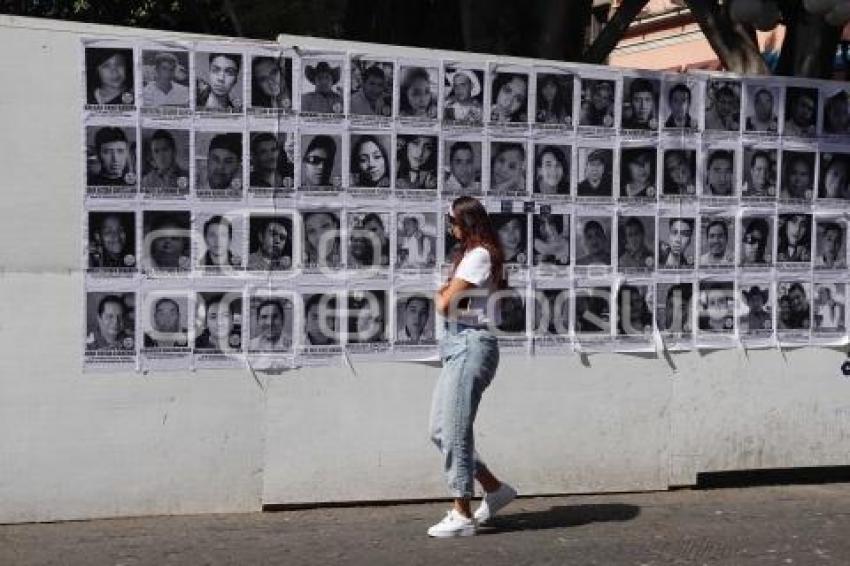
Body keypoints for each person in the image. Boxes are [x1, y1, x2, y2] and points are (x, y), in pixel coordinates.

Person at [428, 196, 515, 538]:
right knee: (440, 429)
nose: (450, 229)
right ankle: (495, 490)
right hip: (458, 346)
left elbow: (446, 303)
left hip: (470, 345)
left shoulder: (479, 255)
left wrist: (441, 295)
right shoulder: (473, 255)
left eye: (452, 222)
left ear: (467, 222)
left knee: (454, 429)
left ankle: (462, 511)